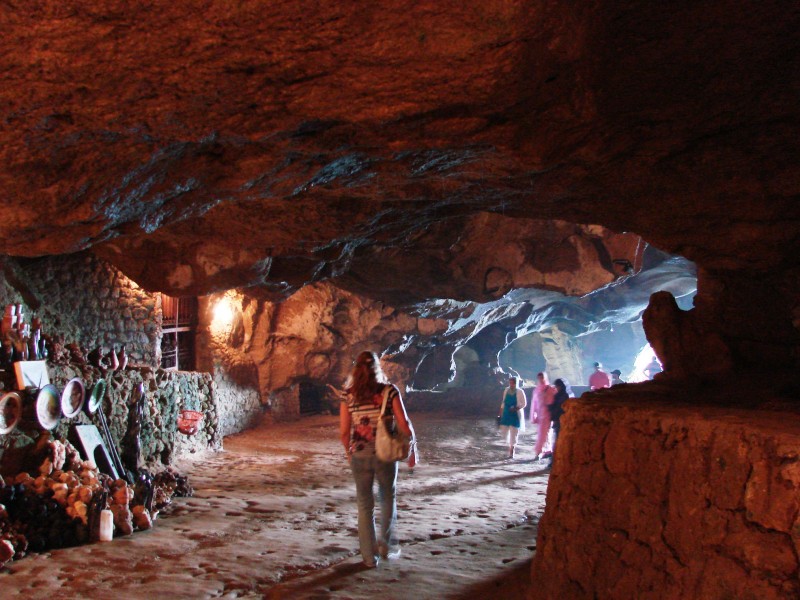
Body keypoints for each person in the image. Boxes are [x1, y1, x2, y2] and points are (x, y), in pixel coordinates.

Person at [339, 351, 417, 568]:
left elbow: (345, 431)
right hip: (385, 454)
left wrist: (349, 451)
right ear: (377, 368)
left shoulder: (348, 395)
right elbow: (404, 424)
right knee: (387, 498)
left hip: (360, 455)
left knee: (364, 505)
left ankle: (368, 558)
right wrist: (412, 449)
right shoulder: (388, 392)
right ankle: (386, 546)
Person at [498, 375, 526, 459]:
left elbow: (524, 403)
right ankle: (509, 445)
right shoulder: (506, 390)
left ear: (516, 383)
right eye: (510, 383)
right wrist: (500, 412)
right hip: (506, 413)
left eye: (513, 383)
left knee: (514, 432)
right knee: (504, 431)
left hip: (515, 414)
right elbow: (503, 401)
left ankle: (512, 449)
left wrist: (516, 408)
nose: (511, 385)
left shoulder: (520, 391)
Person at [548, 378, 574, 467]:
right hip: (560, 421)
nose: (556, 388)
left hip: (562, 421)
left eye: (557, 386)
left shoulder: (563, 396)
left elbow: (559, 408)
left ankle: (556, 462)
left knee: (559, 442)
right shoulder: (561, 395)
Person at [531, 372, 555, 460]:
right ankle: (541, 451)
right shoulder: (537, 390)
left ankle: (544, 451)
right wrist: (534, 415)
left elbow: (554, 402)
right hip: (541, 415)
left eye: (542, 378)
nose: (541, 380)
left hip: (548, 414)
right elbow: (534, 404)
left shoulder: (551, 389)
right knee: (542, 434)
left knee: (547, 433)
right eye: (539, 378)